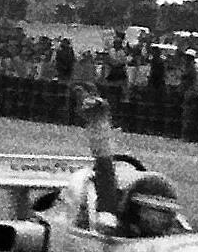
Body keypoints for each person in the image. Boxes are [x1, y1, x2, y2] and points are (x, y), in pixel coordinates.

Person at [80, 93, 188, 237]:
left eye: (163, 213)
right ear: (134, 209)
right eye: (151, 212)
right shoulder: (111, 220)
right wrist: (99, 124)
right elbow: (105, 169)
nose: (157, 220)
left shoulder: (175, 235)